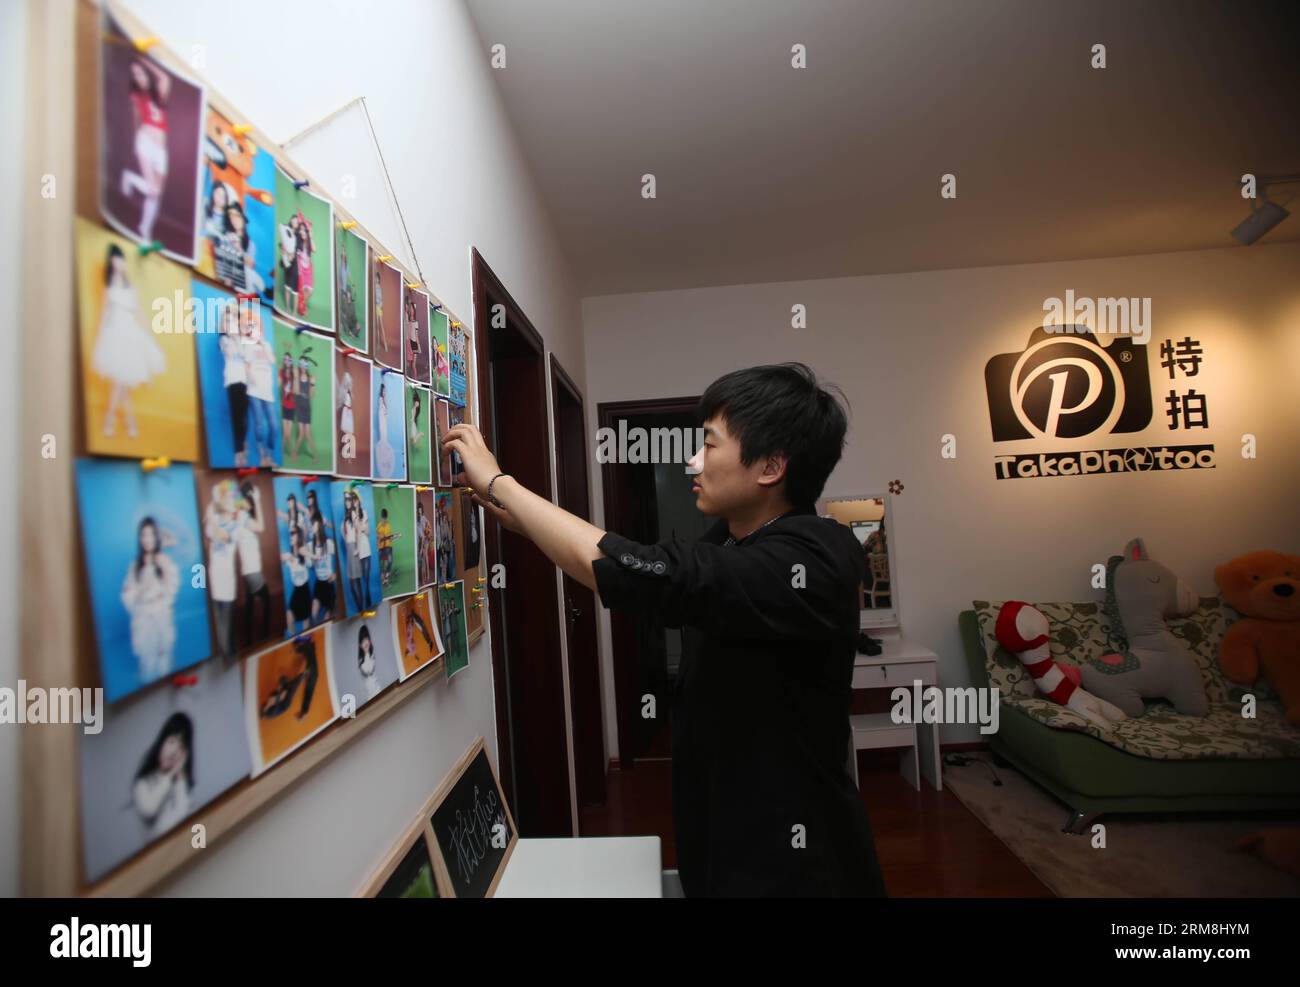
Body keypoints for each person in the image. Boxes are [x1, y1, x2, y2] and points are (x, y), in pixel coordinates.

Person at [441, 362, 887, 898]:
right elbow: (630, 565)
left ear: (770, 466)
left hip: (796, 861)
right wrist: (527, 518)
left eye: (709, 444)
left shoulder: (815, 557)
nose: (692, 460)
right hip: (723, 837)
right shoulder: (732, 538)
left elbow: (638, 574)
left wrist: (499, 481)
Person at [93, 244, 166, 440]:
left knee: (121, 382)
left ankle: (116, 421)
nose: (119, 262)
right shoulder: (109, 287)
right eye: (116, 259)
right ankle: (124, 422)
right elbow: (104, 313)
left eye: (121, 259)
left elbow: (139, 311)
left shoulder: (129, 286)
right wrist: (100, 337)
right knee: (120, 382)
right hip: (115, 333)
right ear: (111, 261)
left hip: (130, 332)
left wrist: (149, 334)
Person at [120, 516, 180, 683]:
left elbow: (172, 585)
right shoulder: (135, 566)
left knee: (164, 653)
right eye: (143, 535)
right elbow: (127, 593)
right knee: (146, 657)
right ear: (140, 538)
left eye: (151, 535)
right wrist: (139, 593)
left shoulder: (164, 561)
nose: (147, 539)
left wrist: (164, 603)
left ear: (156, 537)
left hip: (161, 612)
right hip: (143, 616)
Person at [120, 56, 171, 243]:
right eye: (135, 74)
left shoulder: (159, 94)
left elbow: (165, 78)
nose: (139, 77)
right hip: (145, 143)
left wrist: (145, 60)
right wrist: (136, 140)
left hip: (161, 150)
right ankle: (145, 231)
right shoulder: (136, 96)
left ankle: (131, 179)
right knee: (153, 190)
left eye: (141, 73)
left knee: (157, 192)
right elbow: (136, 118)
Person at [132, 712, 193, 837]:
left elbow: (184, 818)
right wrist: (170, 776)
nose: (174, 751)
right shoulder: (143, 784)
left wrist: (180, 777)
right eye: (171, 742)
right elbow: (149, 810)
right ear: (161, 741)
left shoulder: (181, 785)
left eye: (181, 747)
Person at [357, 623, 381, 700]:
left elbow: (371, 667)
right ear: (360, 645)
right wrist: (367, 654)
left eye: (367, 639)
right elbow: (368, 670)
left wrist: (368, 654)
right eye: (363, 641)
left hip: (378, 690)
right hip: (370, 695)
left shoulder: (372, 656)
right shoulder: (361, 662)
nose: (366, 643)